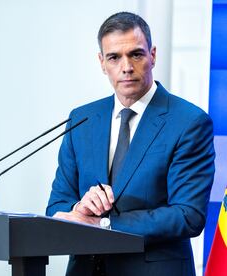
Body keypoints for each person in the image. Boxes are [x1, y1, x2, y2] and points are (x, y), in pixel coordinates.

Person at [46, 11, 215, 276]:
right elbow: (57, 206)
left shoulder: (189, 122)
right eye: (114, 57)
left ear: (153, 55)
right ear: (102, 63)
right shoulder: (82, 119)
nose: (126, 67)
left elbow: (187, 215)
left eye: (136, 54)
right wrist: (79, 209)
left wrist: (104, 224)